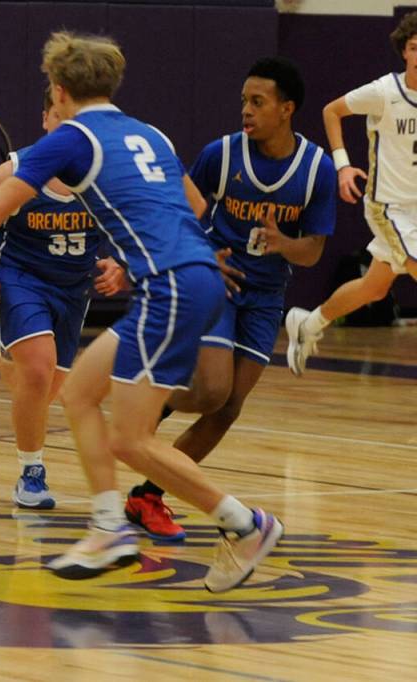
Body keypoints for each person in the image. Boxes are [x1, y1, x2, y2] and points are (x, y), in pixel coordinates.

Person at [0, 32, 283, 593]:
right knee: (77, 394)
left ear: (59, 89)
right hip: (191, 278)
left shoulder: (71, 138)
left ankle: (244, 524)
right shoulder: (150, 133)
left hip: (170, 286)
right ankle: (107, 527)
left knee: (129, 438)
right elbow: (190, 207)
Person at [123, 57, 336, 542]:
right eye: (244, 100)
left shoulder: (315, 169)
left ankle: (147, 496)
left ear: (287, 109)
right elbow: (180, 211)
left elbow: (314, 251)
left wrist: (284, 244)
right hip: (216, 283)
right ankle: (137, 405)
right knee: (212, 391)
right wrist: (202, 252)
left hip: (264, 297)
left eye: (257, 102)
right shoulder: (222, 154)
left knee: (227, 408)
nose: (246, 109)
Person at [0, 86, 126, 510]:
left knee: (45, 387)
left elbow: (131, 222)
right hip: (21, 279)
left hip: (73, 288)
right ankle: (31, 472)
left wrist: (121, 263)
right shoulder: (14, 172)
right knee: (37, 370)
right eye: (58, 121)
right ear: (45, 121)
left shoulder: (105, 172)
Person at [286, 11, 417, 374]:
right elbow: (332, 111)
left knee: (373, 288)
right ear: (404, 52)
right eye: (414, 47)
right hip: (388, 207)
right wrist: (343, 164)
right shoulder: (384, 91)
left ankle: (309, 322)